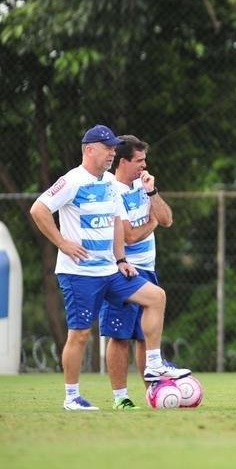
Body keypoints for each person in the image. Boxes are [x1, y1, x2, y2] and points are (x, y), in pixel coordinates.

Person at [29, 125, 190, 411]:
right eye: (108, 148)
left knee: (157, 297)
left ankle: (154, 365)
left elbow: (117, 222)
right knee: (79, 335)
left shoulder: (108, 183)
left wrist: (120, 260)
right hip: (80, 272)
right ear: (90, 149)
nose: (112, 154)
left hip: (111, 271)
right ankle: (72, 397)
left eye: (114, 149)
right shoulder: (72, 181)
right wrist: (63, 243)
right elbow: (38, 209)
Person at [99, 135, 175, 409]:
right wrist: (152, 222)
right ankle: (121, 398)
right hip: (122, 271)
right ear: (123, 162)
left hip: (147, 269)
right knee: (119, 337)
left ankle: (152, 394)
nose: (145, 165)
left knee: (145, 339)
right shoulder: (110, 190)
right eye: (139, 160)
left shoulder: (143, 185)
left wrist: (152, 193)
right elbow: (129, 237)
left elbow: (166, 219)